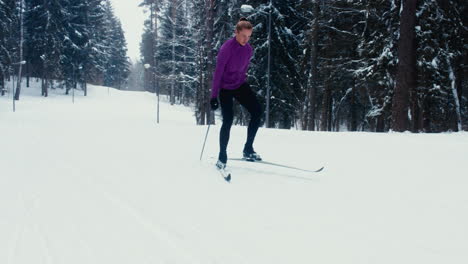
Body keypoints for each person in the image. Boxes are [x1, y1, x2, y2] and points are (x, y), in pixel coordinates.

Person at [210, 18, 263, 170]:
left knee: (257, 111)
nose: (246, 39)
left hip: (239, 85)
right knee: (228, 120)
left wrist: (241, 82)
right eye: (243, 36)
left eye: (249, 36)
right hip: (225, 88)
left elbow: (243, 69)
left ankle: (248, 149)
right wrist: (214, 96)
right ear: (236, 32)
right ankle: (222, 155)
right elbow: (218, 72)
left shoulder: (248, 49)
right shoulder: (227, 48)